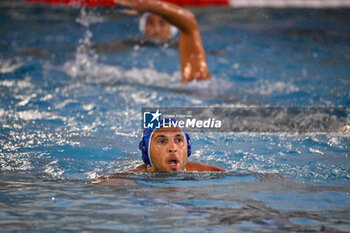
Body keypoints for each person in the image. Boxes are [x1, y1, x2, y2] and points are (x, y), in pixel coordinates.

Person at [113, 0, 211, 83]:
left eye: (162, 23)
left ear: (172, 28)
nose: (156, 29)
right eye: (151, 23)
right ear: (143, 26)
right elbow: (188, 21)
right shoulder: (198, 79)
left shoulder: (195, 78)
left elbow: (188, 21)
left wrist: (147, 4)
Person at [125, 118, 226, 172]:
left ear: (188, 148)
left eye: (178, 140)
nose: (173, 148)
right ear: (147, 153)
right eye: (161, 141)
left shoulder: (209, 173)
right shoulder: (133, 178)